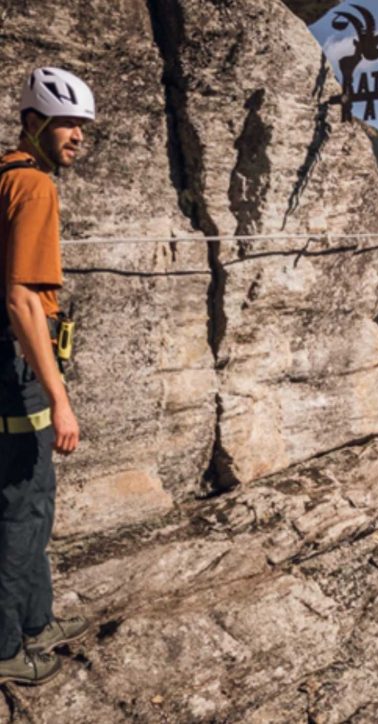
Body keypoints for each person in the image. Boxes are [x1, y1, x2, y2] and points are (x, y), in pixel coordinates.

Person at [0, 67, 94, 686]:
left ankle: (36, 619)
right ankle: (7, 646)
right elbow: (22, 299)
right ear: (34, 123)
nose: (78, 137)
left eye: (83, 128)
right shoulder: (35, 188)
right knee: (24, 504)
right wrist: (58, 397)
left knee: (33, 494)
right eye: (67, 124)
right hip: (17, 366)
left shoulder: (4, 174)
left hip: (8, 362)